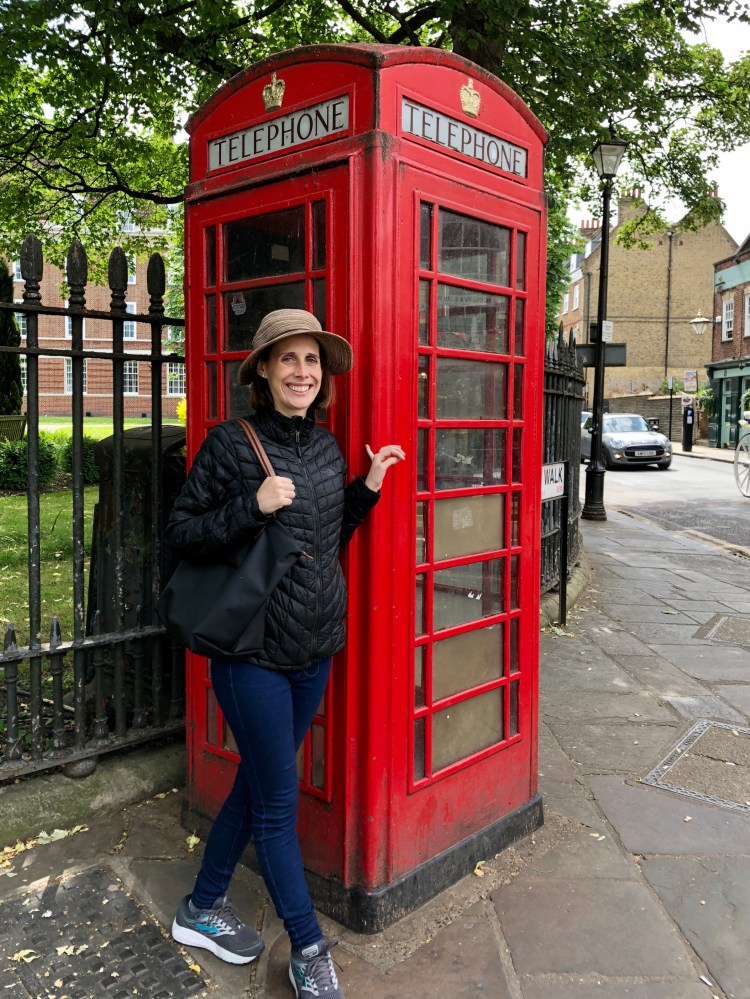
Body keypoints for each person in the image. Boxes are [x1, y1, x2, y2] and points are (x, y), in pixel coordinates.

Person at [166, 308, 404, 999]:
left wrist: (366, 490)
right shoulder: (230, 446)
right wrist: (252, 505)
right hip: (252, 654)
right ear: (263, 371)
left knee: (257, 782)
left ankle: (203, 904)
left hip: (316, 647)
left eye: (312, 362)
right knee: (277, 804)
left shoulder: (328, 449)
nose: (303, 372)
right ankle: (308, 948)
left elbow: (325, 540)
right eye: (289, 359)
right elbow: (182, 532)